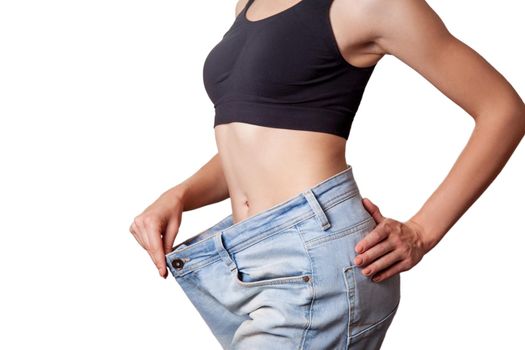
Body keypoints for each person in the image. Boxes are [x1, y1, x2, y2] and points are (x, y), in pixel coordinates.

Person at [129, 0, 524, 348]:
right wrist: (179, 194)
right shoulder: (247, 5)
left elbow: (503, 110)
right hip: (246, 260)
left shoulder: (368, 4)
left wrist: (422, 231)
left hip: (312, 259)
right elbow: (258, 145)